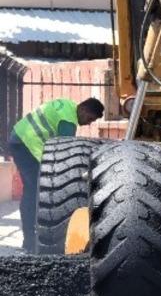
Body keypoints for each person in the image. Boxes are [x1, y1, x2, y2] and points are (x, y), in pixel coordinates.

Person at [7, 97, 105, 252]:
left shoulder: (68, 105)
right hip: (26, 144)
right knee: (34, 191)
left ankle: (31, 240)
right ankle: (30, 241)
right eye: (90, 118)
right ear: (84, 109)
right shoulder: (68, 120)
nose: (88, 123)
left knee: (34, 190)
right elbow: (66, 158)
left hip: (20, 138)